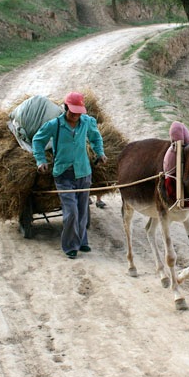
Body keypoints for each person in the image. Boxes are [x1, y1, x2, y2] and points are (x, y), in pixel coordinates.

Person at [32, 92, 107, 259]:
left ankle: (82, 241)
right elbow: (38, 140)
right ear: (65, 108)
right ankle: (70, 246)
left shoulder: (87, 122)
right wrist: (40, 160)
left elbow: (96, 138)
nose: (75, 115)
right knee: (71, 211)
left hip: (83, 172)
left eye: (78, 112)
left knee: (82, 210)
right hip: (63, 174)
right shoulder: (55, 125)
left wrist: (100, 152)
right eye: (72, 112)